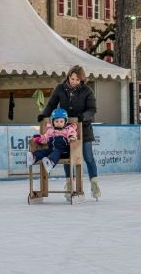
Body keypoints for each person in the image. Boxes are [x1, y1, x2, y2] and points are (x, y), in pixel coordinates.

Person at [38, 65, 100, 199]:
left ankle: (94, 183)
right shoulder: (60, 89)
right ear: (68, 77)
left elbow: (92, 109)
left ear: (82, 80)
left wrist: (84, 116)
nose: (74, 82)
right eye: (73, 79)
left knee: (88, 157)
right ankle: (69, 183)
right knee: (68, 156)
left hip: (84, 129)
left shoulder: (87, 91)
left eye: (78, 80)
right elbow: (52, 104)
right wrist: (44, 115)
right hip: (65, 130)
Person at [27, 109, 77, 174]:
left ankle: (51, 163)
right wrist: (39, 138)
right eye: (57, 121)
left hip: (63, 151)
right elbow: (45, 138)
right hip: (52, 150)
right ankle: (34, 157)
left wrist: (71, 137)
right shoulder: (50, 130)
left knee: (56, 152)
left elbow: (72, 133)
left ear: (65, 122)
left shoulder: (68, 129)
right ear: (53, 122)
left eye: (61, 121)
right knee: (44, 151)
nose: (59, 123)